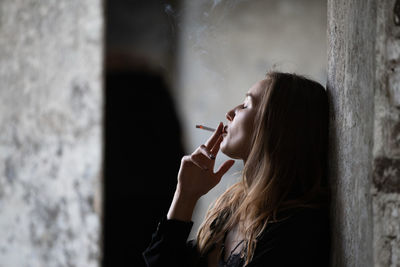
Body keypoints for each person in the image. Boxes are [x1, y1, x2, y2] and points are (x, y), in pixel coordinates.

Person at [143, 71, 331, 267]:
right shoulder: (231, 209)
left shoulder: (295, 231)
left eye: (247, 105)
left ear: (274, 126)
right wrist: (185, 195)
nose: (231, 113)